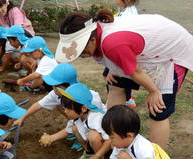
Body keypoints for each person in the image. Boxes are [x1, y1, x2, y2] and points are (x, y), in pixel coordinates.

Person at [55, 10, 193, 150]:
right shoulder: (98, 34)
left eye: (81, 49)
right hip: (144, 51)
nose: (80, 54)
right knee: (116, 84)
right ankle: (110, 137)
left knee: (158, 108)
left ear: (91, 40)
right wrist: (113, 68)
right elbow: (122, 58)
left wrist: (154, 91)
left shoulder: (112, 43)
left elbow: (135, 71)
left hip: (170, 50)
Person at [40, 83, 111, 159]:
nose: (65, 111)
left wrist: (97, 156)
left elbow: (109, 141)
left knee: (93, 136)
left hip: (109, 149)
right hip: (97, 145)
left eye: (68, 108)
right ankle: (89, 152)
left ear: (83, 108)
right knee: (74, 128)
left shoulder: (95, 119)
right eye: (64, 108)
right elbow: (67, 131)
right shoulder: (77, 117)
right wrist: (51, 138)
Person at [103, 0, 139, 108]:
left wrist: (112, 68)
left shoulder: (129, 14)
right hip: (120, 50)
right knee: (111, 76)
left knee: (117, 78)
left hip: (122, 51)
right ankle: (124, 98)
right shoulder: (126, 10)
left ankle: (124, 100)